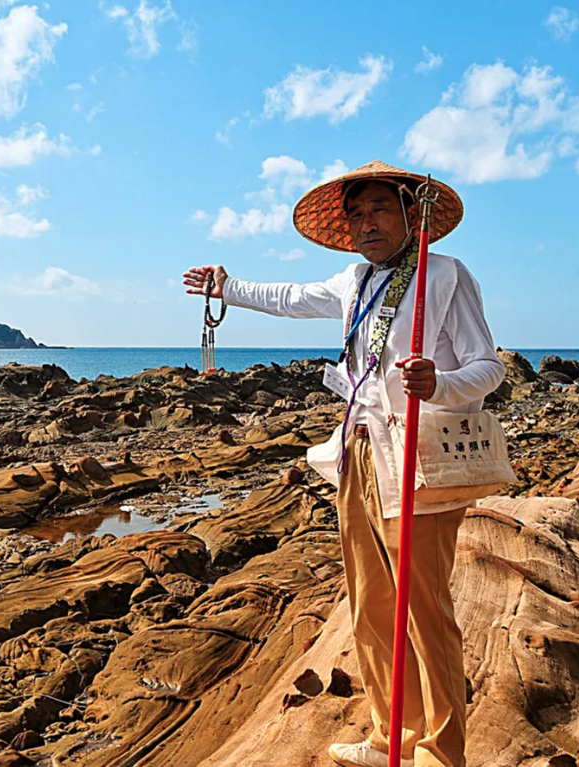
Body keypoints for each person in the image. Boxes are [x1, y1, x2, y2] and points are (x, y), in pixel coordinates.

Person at [183, 161, 505, 767]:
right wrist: (226, 286)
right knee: (372, 604)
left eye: (379, 209)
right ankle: (392, 737)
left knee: (425, 608)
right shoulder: (356, 280)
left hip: (420, 458)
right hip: (358, 452)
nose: (366, 223)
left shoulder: (446, 275)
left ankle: (442, 753)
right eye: (356, 214)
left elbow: (489, 367)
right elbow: (289, 299)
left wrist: (440, 382)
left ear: (412, 215)